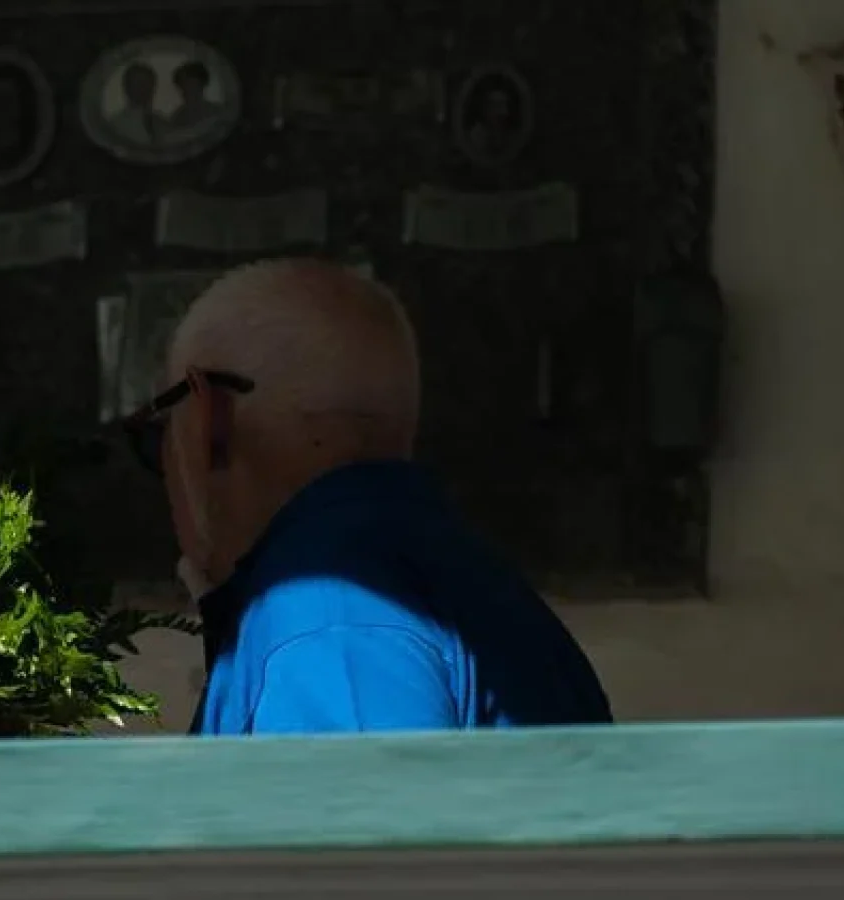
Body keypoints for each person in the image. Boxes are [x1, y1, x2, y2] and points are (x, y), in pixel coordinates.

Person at [124, 259, 612, 735]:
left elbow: (360, 788)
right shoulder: (474, 582)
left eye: (157, 436)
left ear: (209, 417)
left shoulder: (327, 609)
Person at [105, 62, 162, 146]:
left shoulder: (160, 122)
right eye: (139, 83)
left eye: (148, 83)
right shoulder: (116, 126)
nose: (144, 88)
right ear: (127, 87)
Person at [166, 61, 222, 131]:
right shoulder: (178, 117)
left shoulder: (218, 112)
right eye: (182, 82)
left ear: (202, 84)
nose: (186, 87)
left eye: (190, 83)